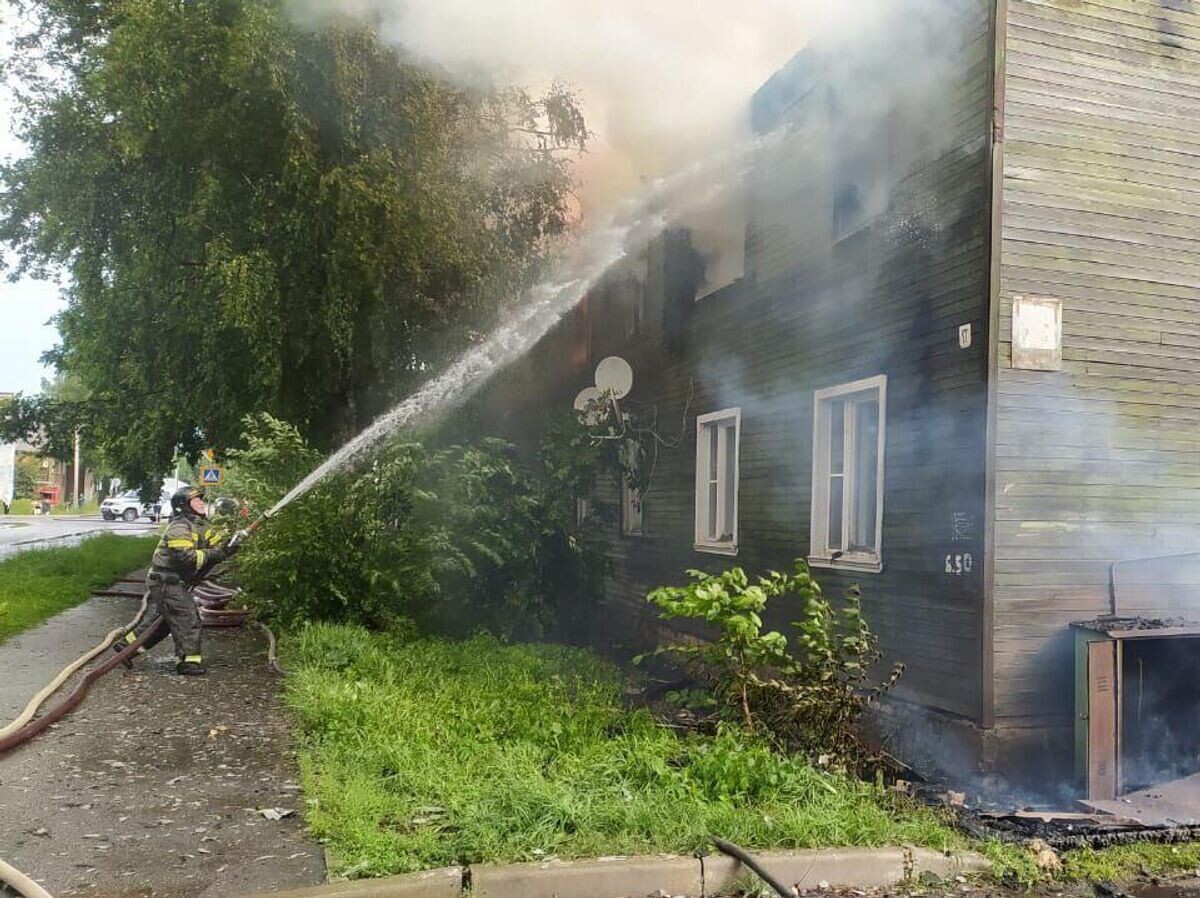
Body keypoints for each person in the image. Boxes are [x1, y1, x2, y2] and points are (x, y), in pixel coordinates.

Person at [116, 486, 243, 676]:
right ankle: (188, 662)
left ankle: (127, 646)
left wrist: (231, 545)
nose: (201, 503)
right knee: (187, 617)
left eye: (201, 499)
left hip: (173, 582)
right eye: (196, 501)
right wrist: (216, 553)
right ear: (184, 506)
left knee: (165, 622)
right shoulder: (179, 527)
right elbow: (185, 558)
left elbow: (218, 548)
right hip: (166, 581)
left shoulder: (202, 526)